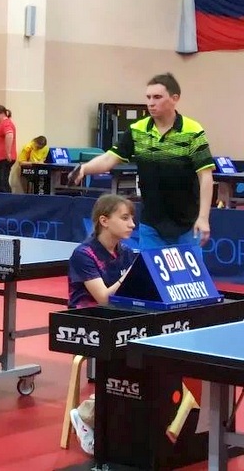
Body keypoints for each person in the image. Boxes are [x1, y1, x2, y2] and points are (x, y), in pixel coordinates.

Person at [71, 73, 214, 248]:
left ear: (175, 98)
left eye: (157, 97)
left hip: (187, 225)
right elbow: (109, 158)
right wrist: (84, 168)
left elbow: (205, 176)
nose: (151, 103)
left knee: (189, 268)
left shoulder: (193, 131)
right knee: (149, 267)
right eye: (148, 97)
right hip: (151, 224)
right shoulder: (137, 130)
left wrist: (203, 218)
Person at [67, 194, 137, 456]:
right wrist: (130, 277)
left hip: (117, 319)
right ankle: (86, 417)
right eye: (125, 218)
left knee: (151, 356)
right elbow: (104, 298)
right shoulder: (84, 254)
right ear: (104, 221)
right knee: (130, 359)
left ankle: (104, 415)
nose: (132, 224)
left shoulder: (125, 253)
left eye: (132, 218)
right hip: (88, 321)